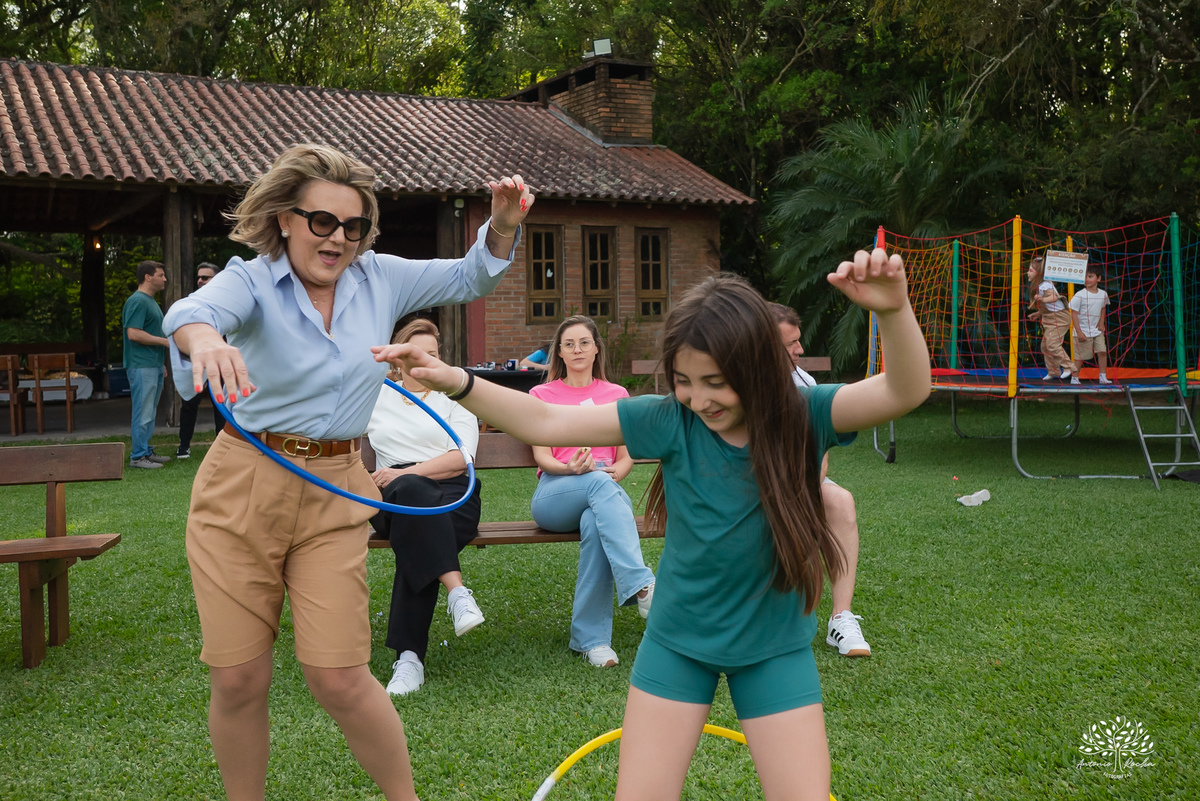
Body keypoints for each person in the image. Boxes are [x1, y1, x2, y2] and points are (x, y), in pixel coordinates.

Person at [375, 250, 930, 801]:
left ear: (757, 366)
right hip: (677, 643)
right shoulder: (669, 418)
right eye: (685, 380)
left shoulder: (804, 413)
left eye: (716, 381)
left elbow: (905, 390)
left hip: (775, 648)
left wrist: (895, 310)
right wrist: (456, 380)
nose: (699, 399)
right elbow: (544, 418)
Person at [162, 142, 533, 801]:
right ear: (285, 218)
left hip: (337, 489)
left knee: (339, 675)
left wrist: (502, 224)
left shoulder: (381, 278)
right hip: (244, 481)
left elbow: (470, 277)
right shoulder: (250, 280)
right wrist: (209, 340)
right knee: (239, 677)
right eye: (321, 221)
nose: (337, 238)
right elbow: (191, 314)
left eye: (352, 226)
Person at [364, 318, 484, 697]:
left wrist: (405, 472)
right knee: (413, 503)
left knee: (416, 529)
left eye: (433, 354)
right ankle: (457, 593)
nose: (425, 360)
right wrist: (369, 479)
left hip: (453, 495)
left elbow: (461, 458)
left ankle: (409, 659)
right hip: (391, 499)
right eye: (416, 352)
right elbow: (338, 441)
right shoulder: (375, 395)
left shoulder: (456, 398)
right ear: (397, 358)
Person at [528, 315, 655, 668]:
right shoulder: (542, 394)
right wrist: (570, 468)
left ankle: (592, 642)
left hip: (603, 493)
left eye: (584, 342)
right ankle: (642, 585)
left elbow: (626, 457)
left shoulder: (617, 395)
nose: (577, 349)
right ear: (560, 353)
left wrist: (614, 471)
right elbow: (542, 457)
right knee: (598, 484)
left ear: (596, 349)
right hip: (555, 493)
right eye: (569, 344)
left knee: (595, 523)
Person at [770, 303, 871, 657]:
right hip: (750, 484)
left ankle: (841, 619)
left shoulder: (805, 383)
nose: (800, 350)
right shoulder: (737, 386)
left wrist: (804, 487)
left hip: (801, 480)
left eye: (799, 341)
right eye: (790, 345)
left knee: (840, 501)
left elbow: (820, 453)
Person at [122, 259, 170, 469]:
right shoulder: (138, 301)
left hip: (153, 364)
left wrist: (161, 363)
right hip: (141, 366)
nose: (164, 279)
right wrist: (166, 342)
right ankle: (138, 457)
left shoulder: (149, 301)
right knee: (143, 411)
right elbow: (133, 333)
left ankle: (145, 451)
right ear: (148, 277)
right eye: (161, 275)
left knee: (149, 411)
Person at [176, 262, 225, 458]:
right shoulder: (191, 303)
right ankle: (184, 445)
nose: (200, 280)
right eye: (199, 277)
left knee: (221, 404)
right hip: (196, 361)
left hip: (221, 361)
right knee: (189, 402)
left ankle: (220, 446)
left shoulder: (228, 302)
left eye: (205, 277)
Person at [1025, 255, 1073, 381]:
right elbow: (1050, 306)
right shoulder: (1040, 286)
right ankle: (1053, 371)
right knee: (1045, 346)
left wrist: (1042, 299)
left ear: (1039, 273)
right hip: (1052, 317)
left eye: (1030, 270)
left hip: (1060, 318)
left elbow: (1054, 298)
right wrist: (1038, 313)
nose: (1027, 272)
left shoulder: (1045, 285)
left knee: (1052, 344)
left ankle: (1069, 367)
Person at [1069, 265, 1111, 385]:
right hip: (1082, 331)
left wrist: (1101, 322)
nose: (1087, 279)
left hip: (1097, 330)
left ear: (1098, 279)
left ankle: (1103, 376)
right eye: (1085, 277)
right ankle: (1074, 378)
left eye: (1090, 276)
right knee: (1080, 357)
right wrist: (1079, 331)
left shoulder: (1103, 294)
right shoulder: (1079, 295)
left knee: (1102, 352)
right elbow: (1074, 314)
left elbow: (1103, 307)